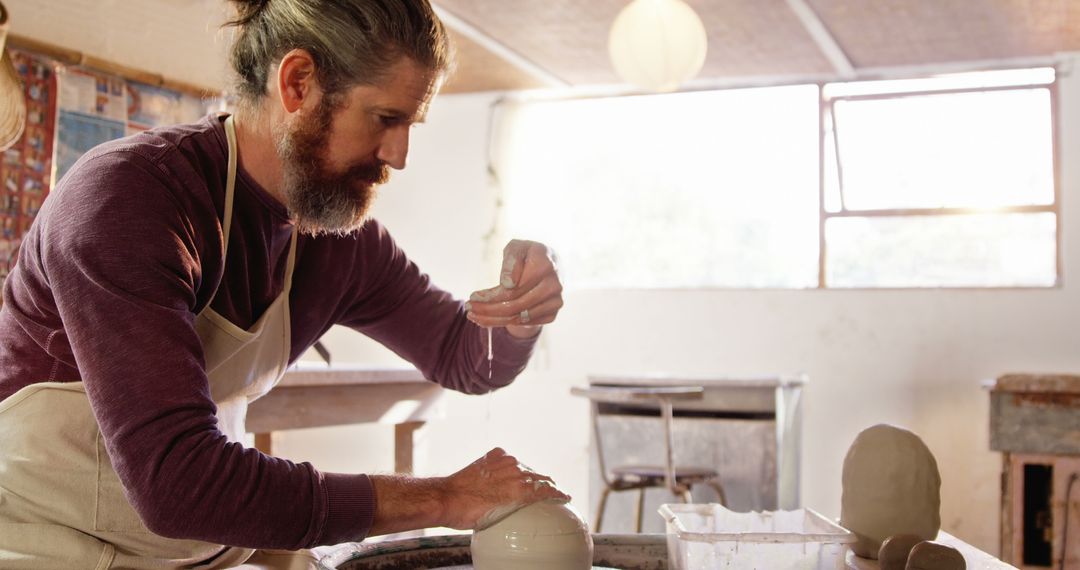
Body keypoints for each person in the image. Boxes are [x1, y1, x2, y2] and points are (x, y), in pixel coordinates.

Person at [0, 0, 568, 567]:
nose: (399, 155)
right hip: (42, 547)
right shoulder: (128, 201)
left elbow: (467, 357)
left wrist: (523, 311)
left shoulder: (338, 239)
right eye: (385, 119)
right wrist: (445, 496)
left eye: (409, 125)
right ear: (297, 83)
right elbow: (179, 481)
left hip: (195, 551)